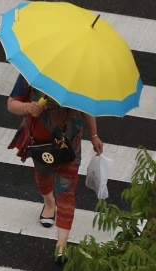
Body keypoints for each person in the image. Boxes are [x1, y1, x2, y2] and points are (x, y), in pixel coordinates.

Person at [6, 75, 104, 259]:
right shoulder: (34, 74)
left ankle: (61, 243)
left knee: (67, 190)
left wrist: (94, 135)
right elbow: (11, 104)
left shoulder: (82, 78)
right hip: (40, 141)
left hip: (69, 144)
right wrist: (29, 107)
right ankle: (49, 203)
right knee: (43, 176)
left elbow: (87, 108)